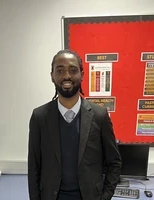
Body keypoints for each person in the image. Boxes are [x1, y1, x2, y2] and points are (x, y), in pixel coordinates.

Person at [28, 49, 122, 200]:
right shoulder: (39, 117)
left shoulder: (99, 116)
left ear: (82, 75)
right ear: (52, 76)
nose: (66, 76)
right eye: (60, 70)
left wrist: (105, 196)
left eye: (73, 70)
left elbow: (114, 162)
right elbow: (34, 166)